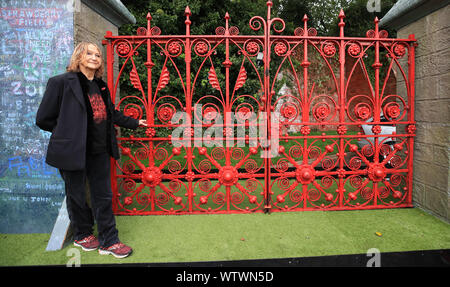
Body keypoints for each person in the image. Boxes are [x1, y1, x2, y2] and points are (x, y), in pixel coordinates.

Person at [36, 42, 147, 258]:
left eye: (98, 54)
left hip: (100, 151)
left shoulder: (100, 85)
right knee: (76, 195)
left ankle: (109, 241)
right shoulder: (61, 82)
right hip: (72, 151)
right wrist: (67, 133)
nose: (95, 57)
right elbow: (43, 118)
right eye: (90, 53)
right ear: (79, 57)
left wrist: (134, 123)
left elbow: (111, 113)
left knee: (103, 196)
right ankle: (82, 234)